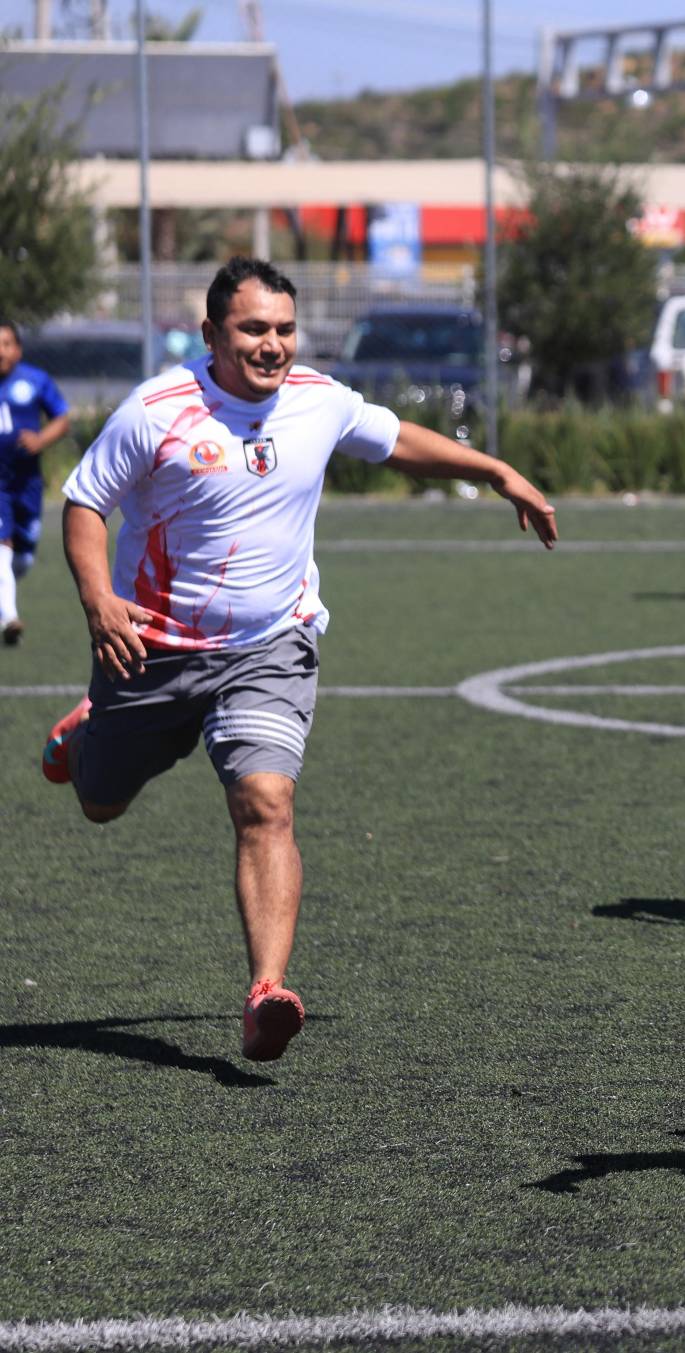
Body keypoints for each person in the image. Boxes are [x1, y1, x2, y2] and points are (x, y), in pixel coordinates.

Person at [40, 257, 559, 1063]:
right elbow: (85, 502)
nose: (273, 345)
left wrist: (495, 471)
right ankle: (83, 740)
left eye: (284, 329)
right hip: (153, 648)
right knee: (101, 802)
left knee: (266, 803)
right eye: (253, 329)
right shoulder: (158, 409)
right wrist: (98, 599)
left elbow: (396, 441)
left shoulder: (318, 400)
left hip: (269, 647)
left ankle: (266, 992)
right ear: (212, 333)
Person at [0, 320, 73, 645]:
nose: (0, 351)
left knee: (23, 556)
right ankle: (10, 618)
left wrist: (41, 439)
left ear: (18, 349)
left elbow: (62, 418)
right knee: (2, 547)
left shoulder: (34, 380)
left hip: (27, 482)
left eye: (6, 344)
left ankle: (4, 596)